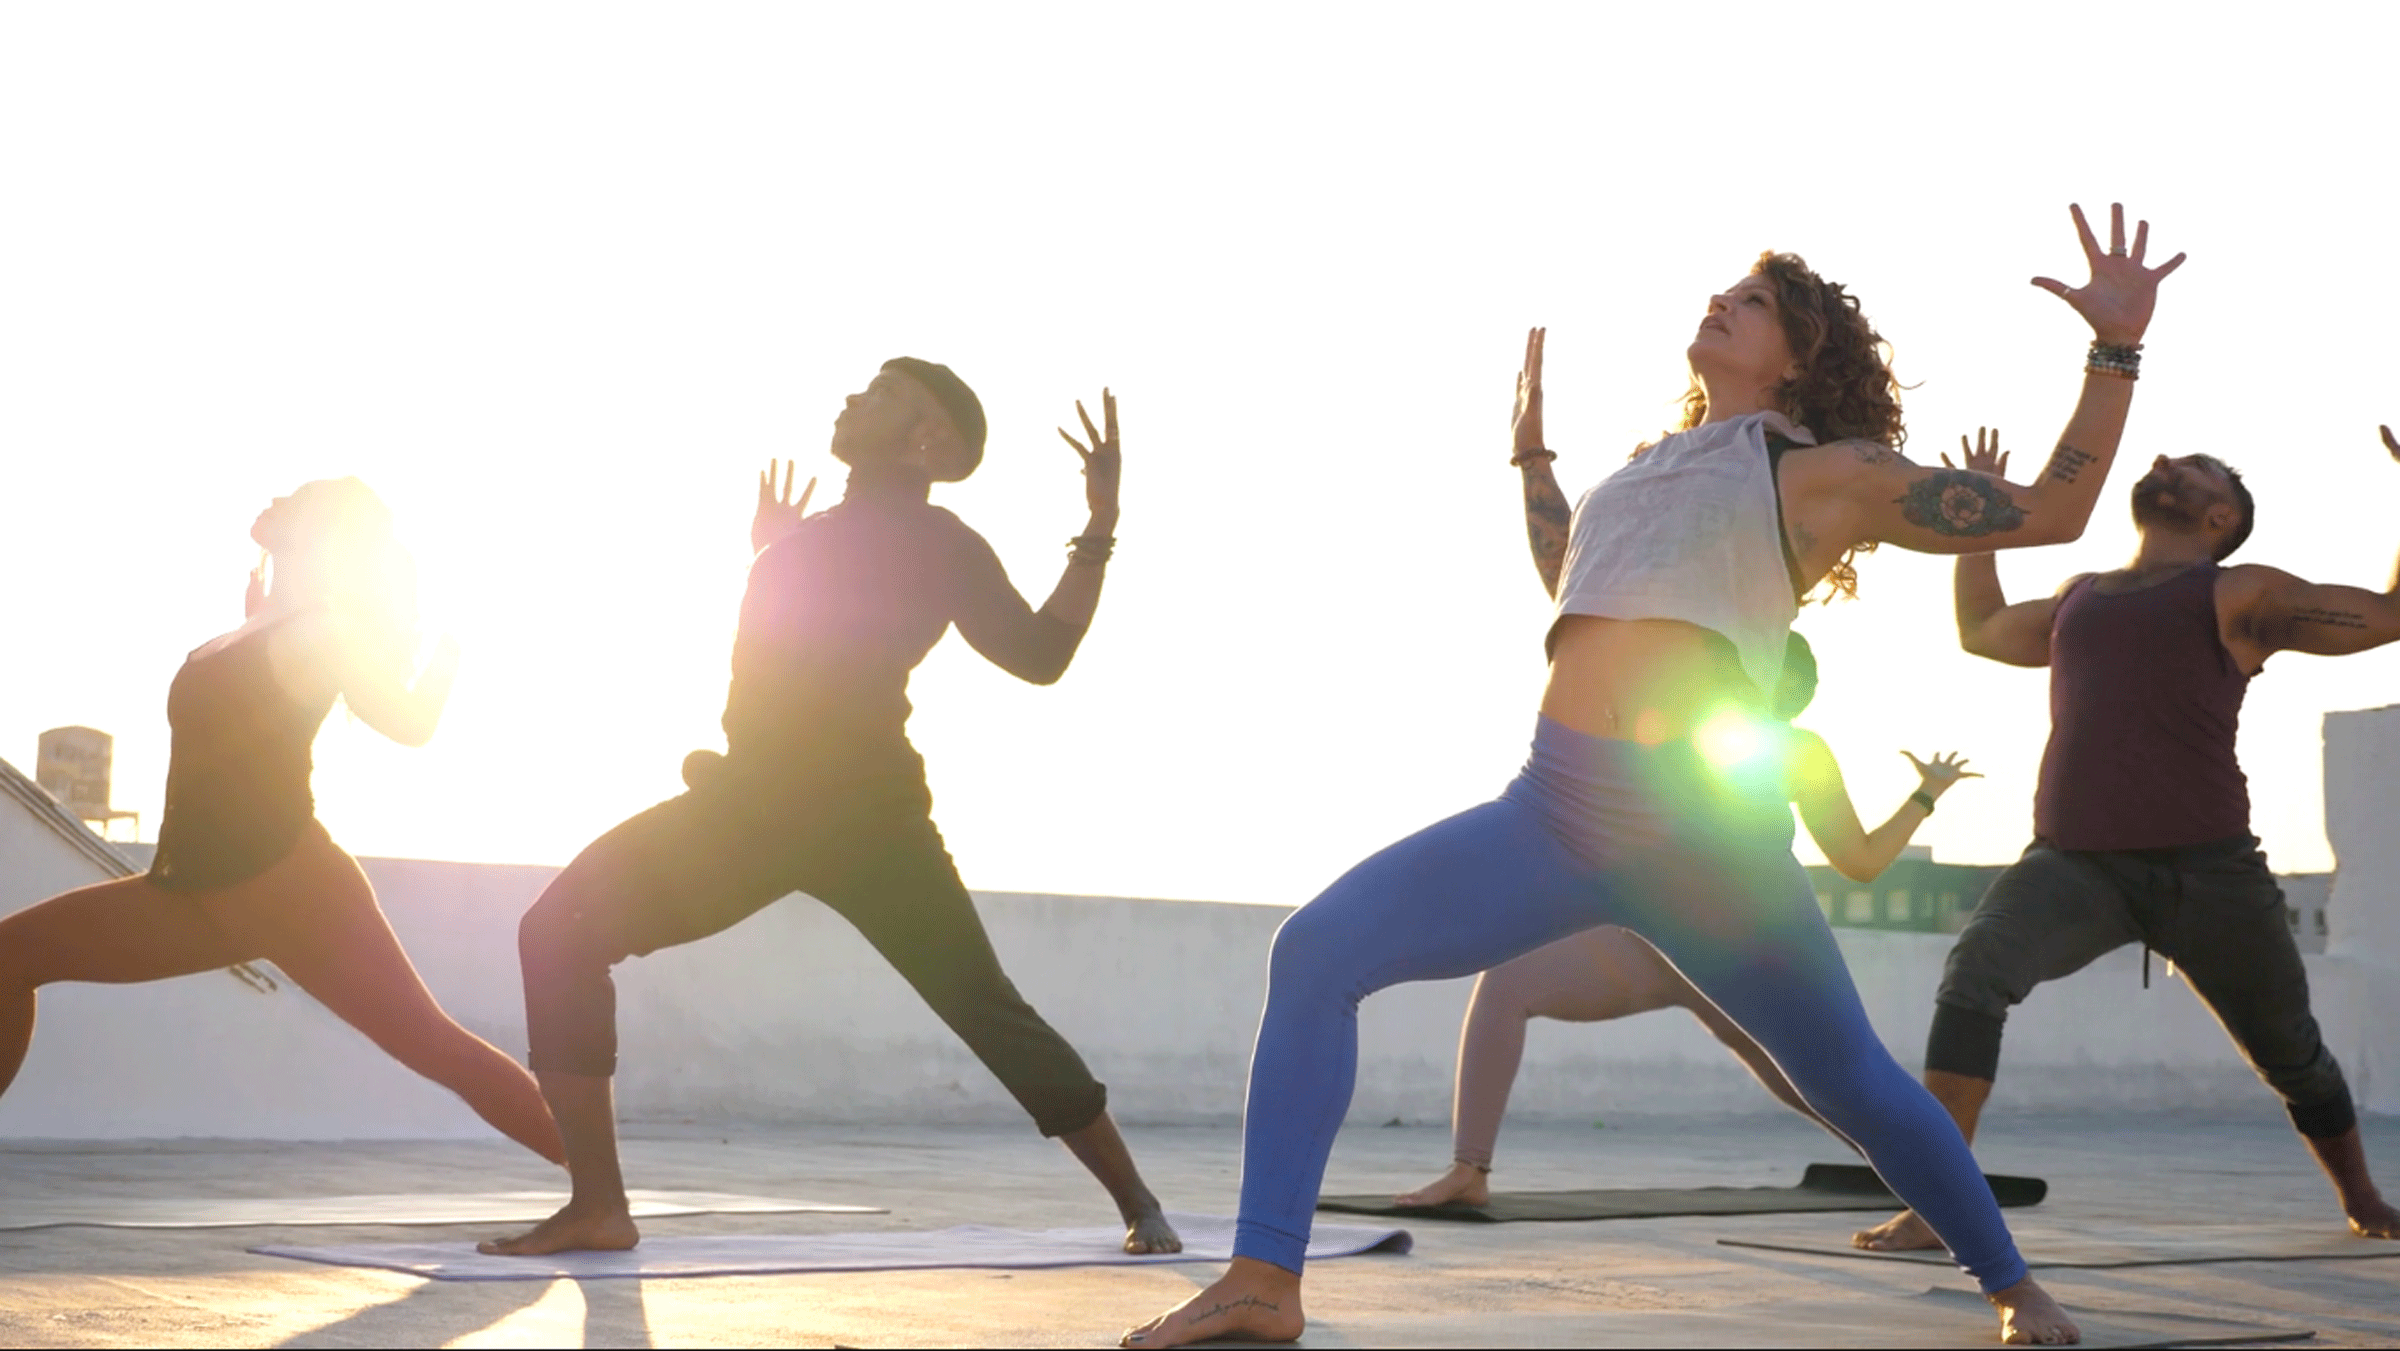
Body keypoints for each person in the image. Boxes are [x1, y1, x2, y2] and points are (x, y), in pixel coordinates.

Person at [1123, 203, 2184, 1348]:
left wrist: (2113, 348)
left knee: (1852, 1081)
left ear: (1800, 355)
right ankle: (1262, 1279)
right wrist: (1532, 455)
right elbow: (1567, 572)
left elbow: (2053, 509)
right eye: (1727, 290)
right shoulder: (1645, 472)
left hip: (1699, 835)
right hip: (1552, 806)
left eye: (1757, 302)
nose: (1723, 302)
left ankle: (2016, 1285)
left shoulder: (1823, 472)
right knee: (1316, 951)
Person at [479, 358, 1179, 1258]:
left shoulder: (943, 542)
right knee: (558, 930)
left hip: (868, 825)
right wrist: (769, 550)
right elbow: (785, 664)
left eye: (888, 394)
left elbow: (1039, 655)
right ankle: (600, 1207)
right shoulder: (802, 538)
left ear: (931, 443)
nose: (856, 397)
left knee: (981, 1003)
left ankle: (1137, 1199)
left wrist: (1099, 528)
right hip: (746, 810)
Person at [1851, 425, 2400, 1253]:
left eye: (2193, 466)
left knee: (2292, 1053)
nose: (2164, 460)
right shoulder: (2081, 595)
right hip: (2075, 863)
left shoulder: (2239, 592)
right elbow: (1985, 629)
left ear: (2221, 514)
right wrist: (1979, 523)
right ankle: (1937, 1203)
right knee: (1976, 968)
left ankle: (2364, 1200)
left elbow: (2387, 617)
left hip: (2211, 870)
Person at [0, 479, 563, 1163]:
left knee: (434, 1045)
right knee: (10, 954)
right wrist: (262, 607)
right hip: (190, 889)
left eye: (298, 504)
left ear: (321, 534)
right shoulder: (262, 618)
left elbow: (410, 722)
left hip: (291, 890)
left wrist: (454, 639)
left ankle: (596, 1188)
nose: (277, 504)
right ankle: (596, 1187)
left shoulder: (323, 629)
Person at [1396, 634, 1980, 1210]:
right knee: (1506, 982)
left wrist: (1924, 795)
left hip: (1745, 952)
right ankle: (1469, 1171)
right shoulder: (1670, 729)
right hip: (1648, 946)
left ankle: (1922, 1169)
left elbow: (1862, 861)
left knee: (1827, 1078)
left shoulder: (1796, 751)